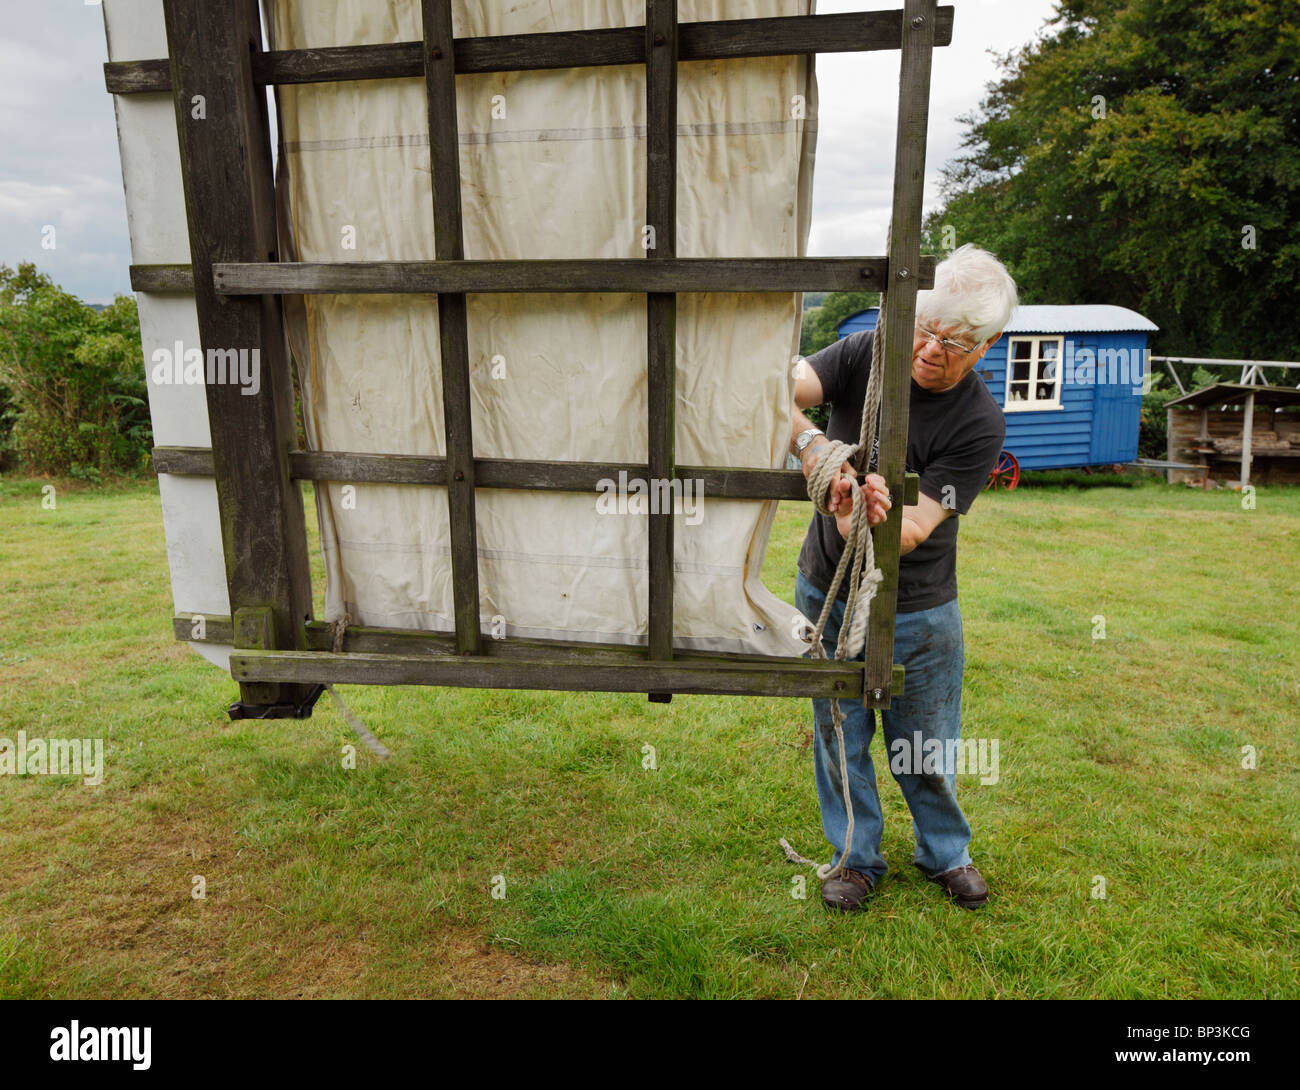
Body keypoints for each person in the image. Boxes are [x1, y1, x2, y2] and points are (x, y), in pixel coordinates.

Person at [788, 244, 1018, 912]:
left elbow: (912, 529)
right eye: (924, 328)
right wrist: (817, 452)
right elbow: (774, 389)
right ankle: (856, 859)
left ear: (988, 344)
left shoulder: (980, 421)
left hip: (919, 606)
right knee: (839, 736)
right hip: (826, 588)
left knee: (926, 744)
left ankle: (945, 854)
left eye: (953, 341)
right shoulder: (862, 353)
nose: (930, 349)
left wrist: (857, 510)